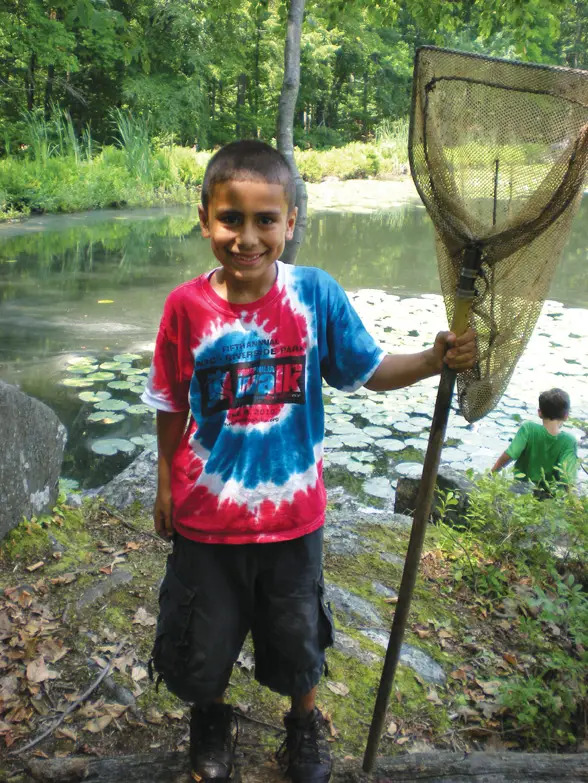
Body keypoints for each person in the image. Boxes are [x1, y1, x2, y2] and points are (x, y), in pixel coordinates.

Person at [142, 139, 476, 783]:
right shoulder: (185, 307)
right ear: (205, 218)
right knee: (201, 638)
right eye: (229, 218)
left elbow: (370, 369)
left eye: (265, 219)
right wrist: (164, 481)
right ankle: (211, 717)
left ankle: (304, 723)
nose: (247, 237)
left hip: (295, 522)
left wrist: (433, 359)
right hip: (205, 522)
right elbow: (168, 399)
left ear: (291, 223)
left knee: (298, 637)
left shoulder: (315, 295)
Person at [492, 388, 578, 490]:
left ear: (539, 412)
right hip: (550, 495)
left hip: (521, 489)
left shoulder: (528, 428)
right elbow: (568, 478)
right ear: (566, 416)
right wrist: (574, 503)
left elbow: (510, 454)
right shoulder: (569, 441)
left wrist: (491, 473)